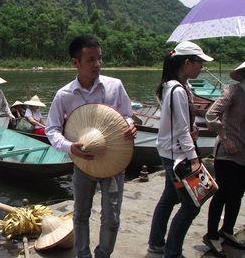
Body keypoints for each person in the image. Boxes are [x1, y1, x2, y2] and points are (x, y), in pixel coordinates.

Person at [45, 35, 136, 258]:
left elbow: (128, 116)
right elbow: (52, 129)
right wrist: (69, 146)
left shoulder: (115, 86)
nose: (97, 64)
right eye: (91, 60)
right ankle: (83, 255)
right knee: (81, 214)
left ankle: (103, 254)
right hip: (83, 165)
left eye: (100, 59)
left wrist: (131, 126)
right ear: (76, 63)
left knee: (112, 217)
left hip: (112, 162)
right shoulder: (64, 95)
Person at [147, 41, 214, 258]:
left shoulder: (181, 86)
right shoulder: (176, 90)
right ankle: (172, 252)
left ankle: (156, 243)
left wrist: (193, 128)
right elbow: (182, 130)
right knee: (191, 205)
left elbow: (184, 124)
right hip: (177, 156)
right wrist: (194, 158)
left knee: (170, 197)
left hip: (171, 151)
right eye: (199, 63)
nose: (201, 67)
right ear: (187, 63)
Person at [203, 62, 245, 255]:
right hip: (227, 152)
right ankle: (211, 235)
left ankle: (227, 230)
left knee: (237, 194)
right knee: (223, 193)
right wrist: (225, 137)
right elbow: (211, 115)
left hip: (243, 153)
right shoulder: (233, 91)